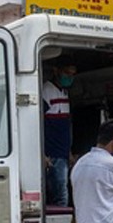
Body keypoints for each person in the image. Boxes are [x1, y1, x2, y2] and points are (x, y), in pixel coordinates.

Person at [43, 56, 77, 206]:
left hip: (62, 153)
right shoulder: (47, 91)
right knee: (60, 198)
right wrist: (42, 154)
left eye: (72, 74)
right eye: (67, 73)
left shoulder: (64, 92)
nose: (70, 77)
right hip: (52, 154)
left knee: (61, 194)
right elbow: (37, 123)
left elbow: (64, 126)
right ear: (56, 71)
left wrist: (68, 152)